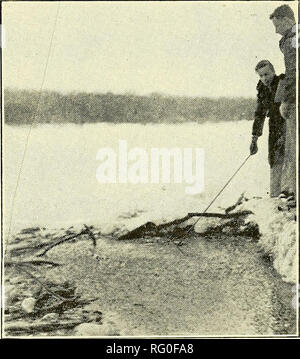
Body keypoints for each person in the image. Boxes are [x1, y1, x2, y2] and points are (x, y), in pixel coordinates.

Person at [270, 5, 297, 201]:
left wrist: (286, 101)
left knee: (293, 145)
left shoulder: (291, 41)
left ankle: (292, 191)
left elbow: (293, 74)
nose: (276, 29)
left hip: (295, 100)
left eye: (277, 23)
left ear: (287, 20)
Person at [250, 60, 286, 197]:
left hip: (287, 125)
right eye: (261, 75)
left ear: (273, 71)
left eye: (266, 74)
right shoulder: (262, 89)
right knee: (274, 158)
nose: (264, 78)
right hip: (274, 126)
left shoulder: (282, 84)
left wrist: (285, 133)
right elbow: (260, 114)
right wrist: (254, 138)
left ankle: (288, 192)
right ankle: (275, 194)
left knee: (287, 157)